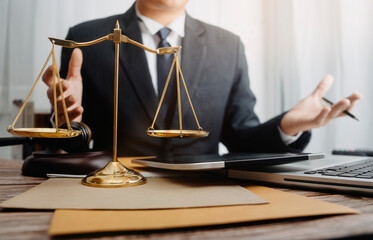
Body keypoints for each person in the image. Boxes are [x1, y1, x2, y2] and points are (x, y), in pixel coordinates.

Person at [42, 0, 361, 157]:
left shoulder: (228, 46)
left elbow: (241, 139)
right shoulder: (87, 39)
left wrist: (287, 126)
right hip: (114, 194)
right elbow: (74, 148)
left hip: (208, 194)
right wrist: (65, 122)